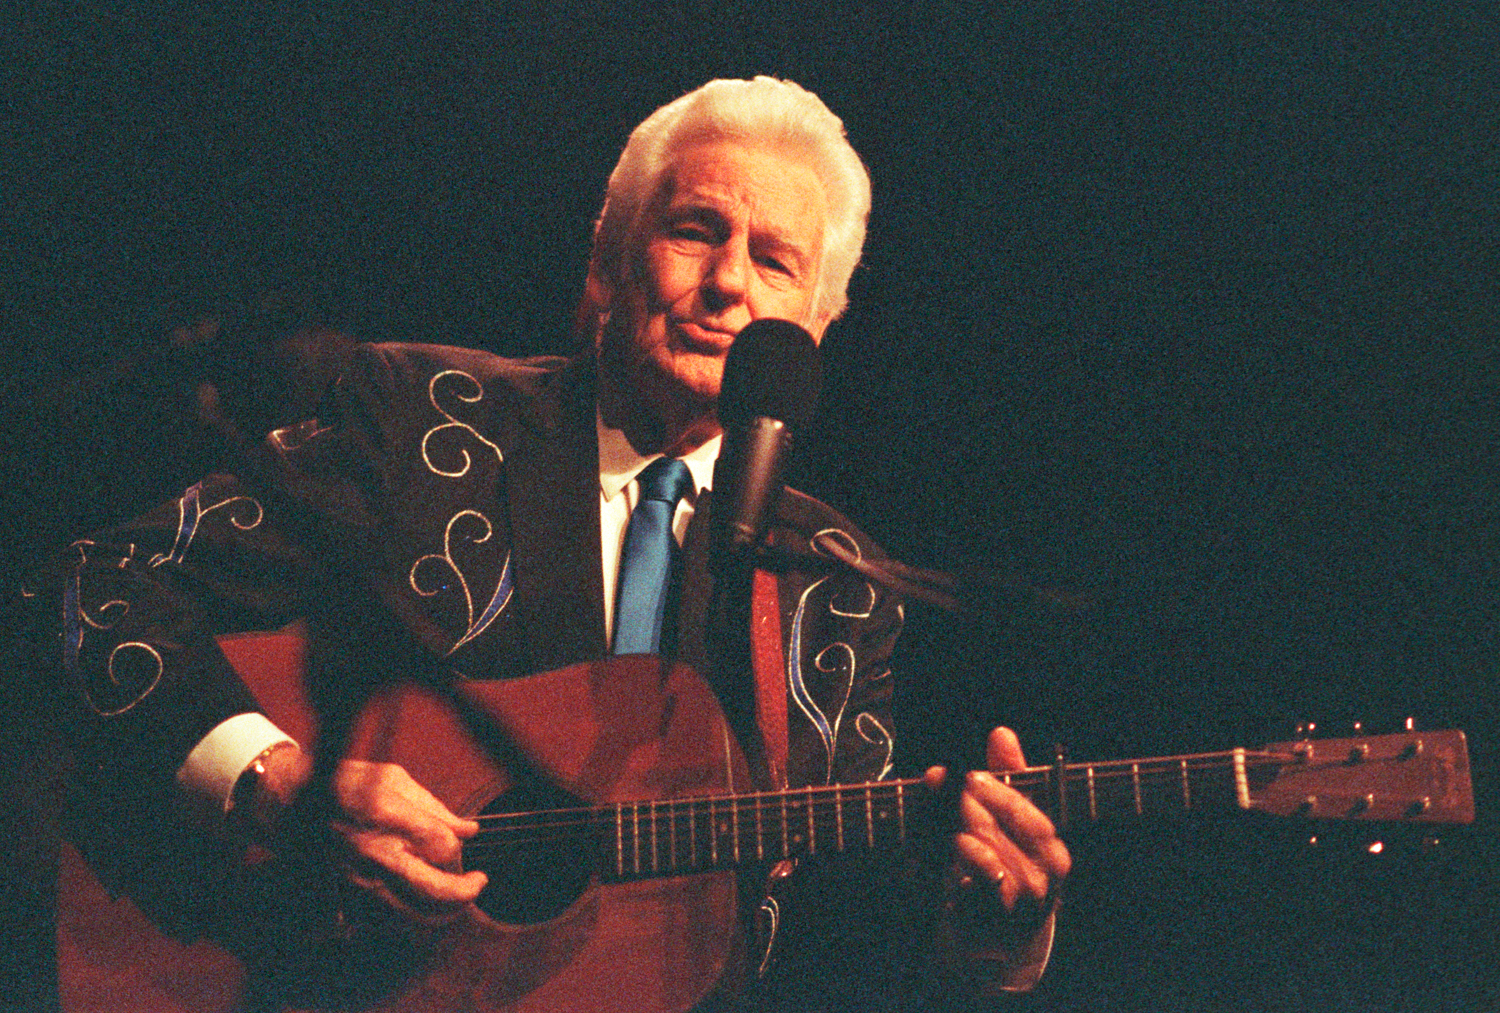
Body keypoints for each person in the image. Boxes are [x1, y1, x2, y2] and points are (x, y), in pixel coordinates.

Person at [24, 77, 1069, 1011]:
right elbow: (101, 583)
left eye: (777, 261)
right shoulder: (429, 424)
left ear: (817, 326)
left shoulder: (834, 584)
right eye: (697, 230)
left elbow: (834, 924)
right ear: (609, 268)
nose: (729, 285)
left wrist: (997, 929)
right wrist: (280, 783)